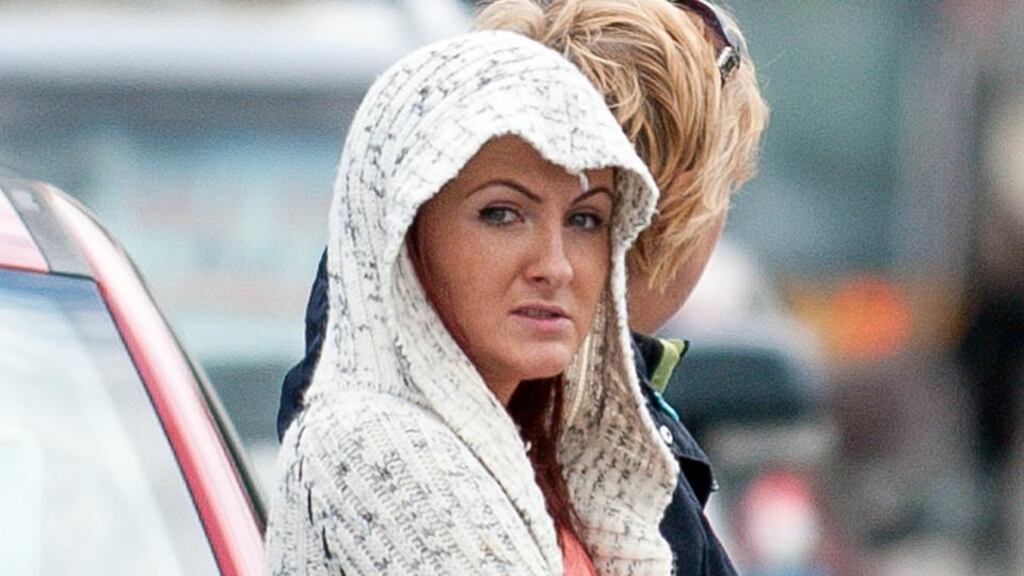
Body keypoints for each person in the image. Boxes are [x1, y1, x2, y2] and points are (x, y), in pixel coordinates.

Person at [276, 0, 768, 573]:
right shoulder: (371, 446)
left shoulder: (570, 452)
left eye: (586, 218)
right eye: (502, 213)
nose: (554, 265)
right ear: (408, 223)